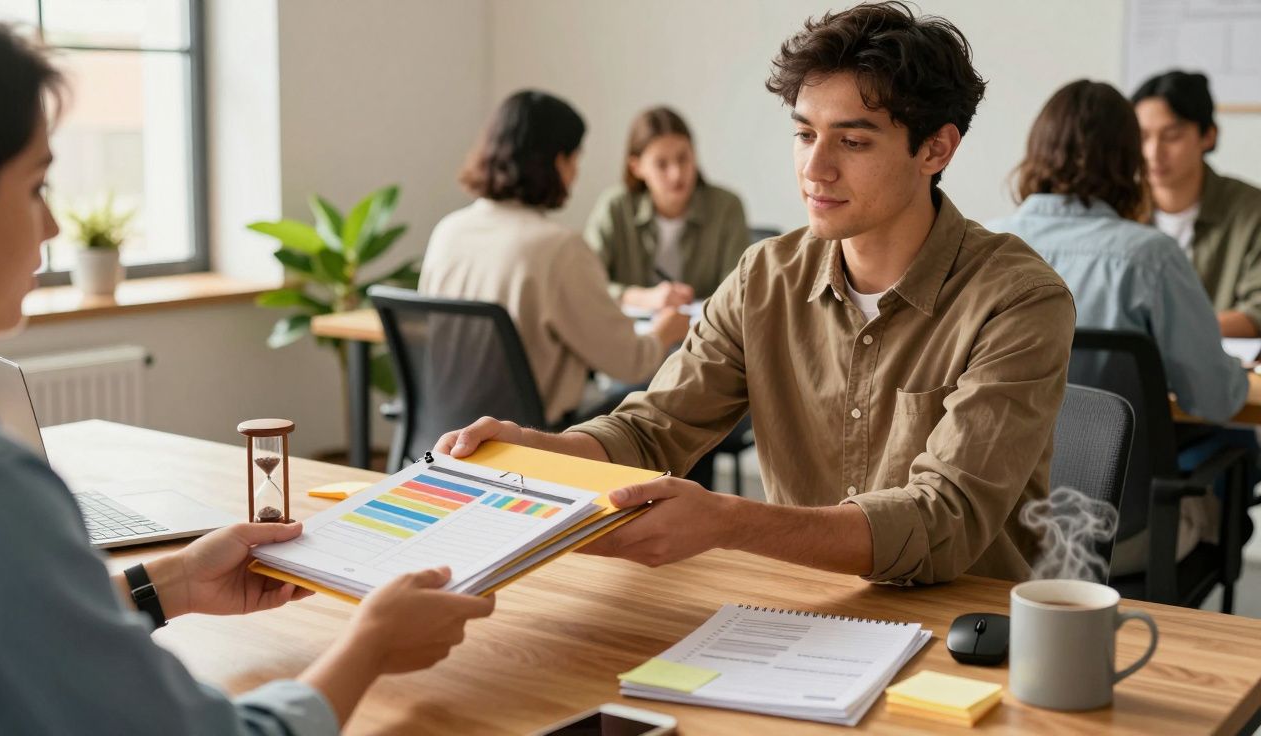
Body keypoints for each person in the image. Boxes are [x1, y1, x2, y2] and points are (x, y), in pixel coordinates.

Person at [0, 9, 492, 734]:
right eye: (35, 186)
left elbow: (3, 636)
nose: (50, 226)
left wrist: (168, 582)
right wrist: (371, 646)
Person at [435, 1, 1075, 586]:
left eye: (852, 141)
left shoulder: (1018, 299)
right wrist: (539, 452)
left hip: (964, 628)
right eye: (804, 134)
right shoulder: (764, 276)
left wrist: (728, 521)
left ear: (936, 149)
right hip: (798, 607)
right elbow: (654, 430)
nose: (815, 168)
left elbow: (943, 521)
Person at [988, 79, 1248, 572]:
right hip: (1115, 536)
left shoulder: (981, 246)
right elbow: (1214, 400)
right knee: (1238, 454)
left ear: (1035, 151)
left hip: (994, 534)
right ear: (1130, 160)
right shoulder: (1150, 257)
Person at [419, 91, 689, 426]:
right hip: (528, 441)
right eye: (575, 159)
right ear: (559, 162)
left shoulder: (447, 232)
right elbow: (631, 362)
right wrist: (664, 331)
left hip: (446, 434)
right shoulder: (559, 249)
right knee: (662, 402)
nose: (575, 173)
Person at [1133, 70, 1261, 338]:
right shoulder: (1118, 208)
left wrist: (1170, 333)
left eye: (1171, 136)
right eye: (1142, 137)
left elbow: (1256, 312)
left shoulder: (1252, 210)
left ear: (1208, 136)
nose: (1153, 152)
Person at [584, 106, 751, 310]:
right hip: (630, 328)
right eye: (661, 164)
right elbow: (584, 282)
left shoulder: (727, 207)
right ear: (636, 167)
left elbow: (740, 290)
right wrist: (639, 297)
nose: (676, 174)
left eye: (683, 158)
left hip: (705, 327)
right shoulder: (615, 207)